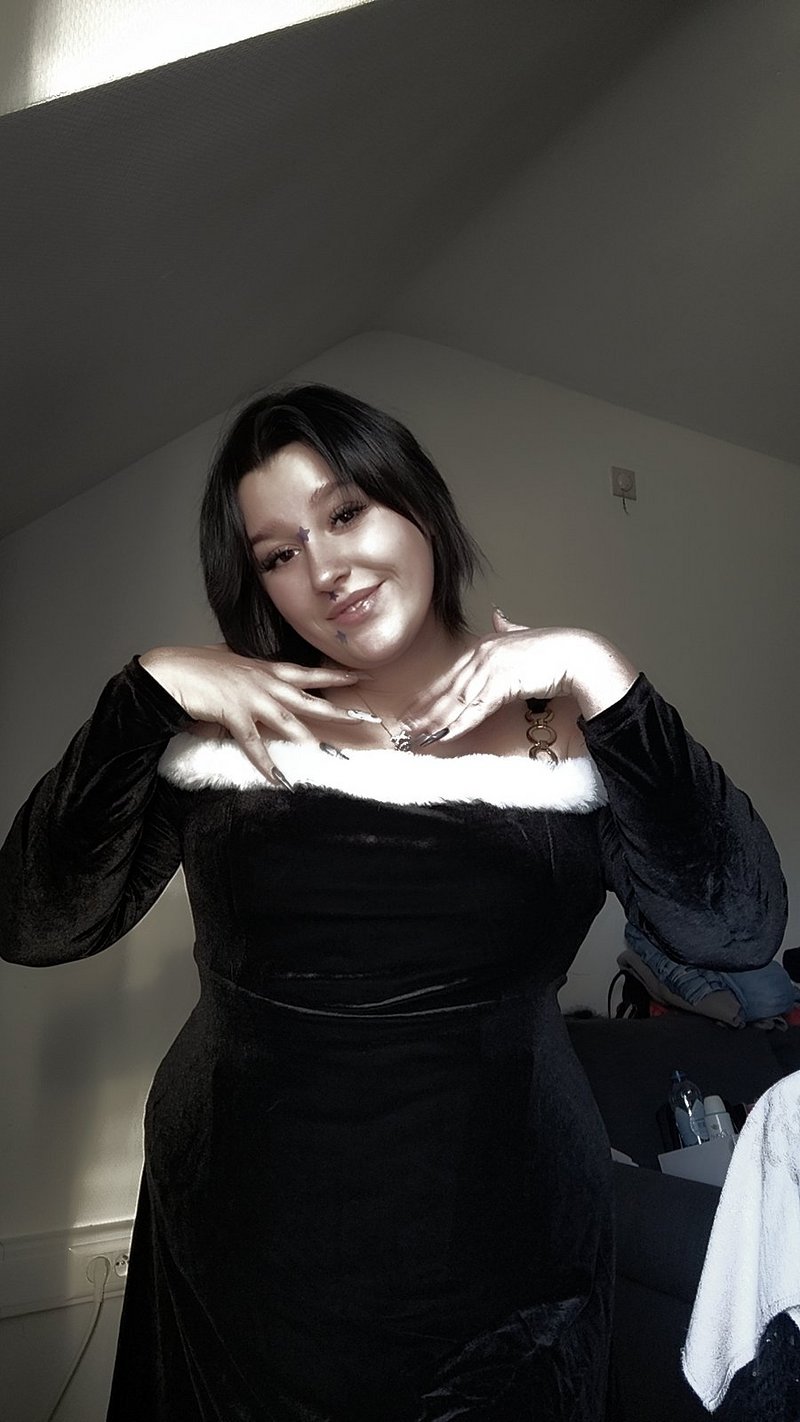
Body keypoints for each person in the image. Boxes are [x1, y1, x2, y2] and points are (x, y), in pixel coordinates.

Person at [0, 383, 787, 1421]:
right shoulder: (220, 728)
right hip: (243, 1243)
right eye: (277, 554)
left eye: (344, 512)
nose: (323, 570)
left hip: (507, 1249)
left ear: (416, 504)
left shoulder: (562, 725)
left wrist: (602, 674)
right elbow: (36, 922)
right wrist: (143, 693)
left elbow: (733, 929)